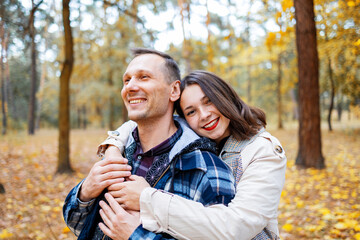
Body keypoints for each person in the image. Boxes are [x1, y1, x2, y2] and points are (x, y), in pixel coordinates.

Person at [63, 50, 236, 240]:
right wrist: (85, 192)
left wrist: (137, 236)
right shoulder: (117, 153)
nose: (130, 87)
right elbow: (77, 225)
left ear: (174, 91)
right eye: (127, 80)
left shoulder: (207, 171)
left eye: (144, 77)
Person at [99, 70, 287, 239]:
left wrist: (147, 198)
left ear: (225, 97)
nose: (204, 115)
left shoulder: (262, 150)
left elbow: (236, 228)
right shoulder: (195, 139)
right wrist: (113, 146)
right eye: (191, 112)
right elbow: (138, 124)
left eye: (209, 101)